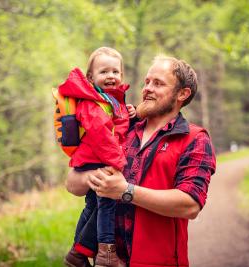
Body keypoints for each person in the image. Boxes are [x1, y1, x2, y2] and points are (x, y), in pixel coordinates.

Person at [65, 55, 216, 267]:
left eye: (158, 83)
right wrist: (95, 177)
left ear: (182, 93)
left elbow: (189, 205)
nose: (147, 88)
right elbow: (72, 184)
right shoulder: (119, 129)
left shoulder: (194, 139)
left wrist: (125, 191)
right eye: (147, 82)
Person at [59, 47, 136, 267]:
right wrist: (118, 164)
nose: (111, 76)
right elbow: (102, 136)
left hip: (96, 157)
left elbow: (117, 126)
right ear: (91, 77)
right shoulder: (92, 103)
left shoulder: (110, 100)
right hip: (98, 158)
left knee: (92, 205)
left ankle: (77, 253)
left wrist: (129, 112)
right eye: (104, 72)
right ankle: (106, 252)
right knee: (107, 203)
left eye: (115, 71)